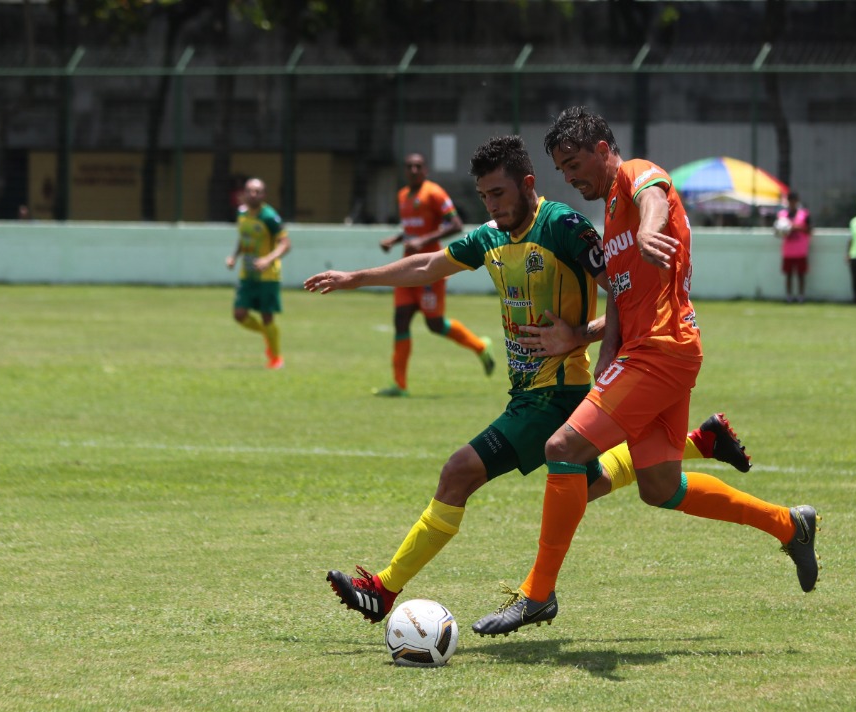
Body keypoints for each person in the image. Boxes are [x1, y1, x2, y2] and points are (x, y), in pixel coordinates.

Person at [305, 135, 752, 624]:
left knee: (460, 472)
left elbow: (623, 297)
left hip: (555, 395)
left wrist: (577, 337)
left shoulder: (564, 227)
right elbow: (431, 263)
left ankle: (385, 589)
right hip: (530, 394)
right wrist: (357, 278)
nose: (493, 206)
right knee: (594, 482)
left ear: (528, 184)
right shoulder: (491, 237)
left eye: (499, 194)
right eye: (484, 196)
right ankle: (698, 441)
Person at [470, 107, 820, 637]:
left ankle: (536, 595)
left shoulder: (634, 173)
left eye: (573, 164)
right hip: (652, 352)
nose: (569, 177)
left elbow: (653, 198)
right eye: (561, 170)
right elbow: (621, 300)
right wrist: (595, 345)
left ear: (602, 149)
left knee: (562, 450)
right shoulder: (610, 215)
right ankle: (788, 524)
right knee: (659, 487)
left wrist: (653, 232)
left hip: (659, 351)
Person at [373, 152, 495, 397]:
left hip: (430, 269)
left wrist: (423, 241)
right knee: (401, 320)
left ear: (425, 170)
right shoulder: (403, 196)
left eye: (418, 166)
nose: (413, 170)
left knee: (435, 324)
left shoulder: (434, 193)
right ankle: (399, 385)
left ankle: (480, 346)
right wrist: (395, 239)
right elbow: (410, 230)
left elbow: (456, 224)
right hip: (406, 270)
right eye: (409, 166)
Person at [225, 177, 291, 370]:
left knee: (267, 317)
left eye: (258, 191)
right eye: (250, 190)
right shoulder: (242, 214)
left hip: (267, 276)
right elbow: (243, 238)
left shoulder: (269, 217)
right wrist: (234, 256)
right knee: (239, 315)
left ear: (264, 195)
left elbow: (286, 244)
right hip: (247, 274)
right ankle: (267, 335)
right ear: (244, 193)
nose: (253, 194)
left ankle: (276, 359)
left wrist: (267, 260)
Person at [776, 191, 811, 302]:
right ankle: (789, 296)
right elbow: (777, 231)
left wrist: (795, 227)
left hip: (801, 250)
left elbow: (810, 230)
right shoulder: (782, 215)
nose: (792, 203)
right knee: (788, 275)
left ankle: (801, 296)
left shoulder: (804, 214)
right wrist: (784, 230)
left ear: (797, 201)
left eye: (794, 201)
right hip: (788, 250)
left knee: (801, 274)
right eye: (790, 201)